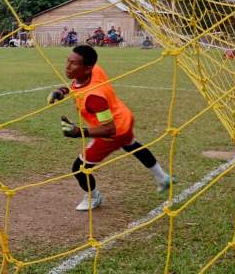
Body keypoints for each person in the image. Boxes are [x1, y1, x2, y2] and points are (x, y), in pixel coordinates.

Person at [47, 45, 174, 211]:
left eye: (73, 64)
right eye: (68, 61)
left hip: (114, 132)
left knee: (79, 168)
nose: (67, 66)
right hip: (124, 118)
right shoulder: (94, 71)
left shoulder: (94, 98)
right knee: (132, 145)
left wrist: (79, 132)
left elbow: (109, 129)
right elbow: (77, 85)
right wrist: (61, 91)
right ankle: (163, 178)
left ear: (87, 68)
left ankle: (94, 197)